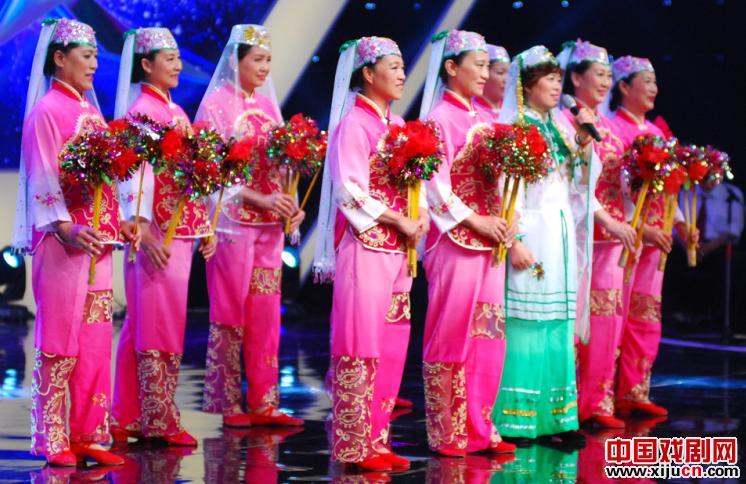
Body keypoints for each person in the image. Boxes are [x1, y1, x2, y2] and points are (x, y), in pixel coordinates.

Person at [13, 18, 138, 466]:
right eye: (85, 56)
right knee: (59, 341)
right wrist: (63, 225)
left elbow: (104, 180)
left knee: (94, 341)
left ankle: (88, 432)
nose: (93, 63)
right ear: (59, 59)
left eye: (95, 56)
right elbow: (43, 175)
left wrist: (119, 220)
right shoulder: (47, 111)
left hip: (97, 243)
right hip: (64, 243)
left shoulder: (89, 111)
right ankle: (51, 437)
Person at [313, 36, 428, 472]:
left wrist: (415, 222)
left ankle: (377, 438)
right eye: (394, 66)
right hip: (365, 246)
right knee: (359, 344)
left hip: (399, 251)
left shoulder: (397, 127)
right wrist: (399, 220)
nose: (401, 74)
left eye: (403, 67)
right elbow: (349, 190)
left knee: (392, 344)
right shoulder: (354, 125)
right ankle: (352, 444)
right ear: (367, 73)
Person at [195, 24, 305, 429]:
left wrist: (289, 205)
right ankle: (228, 404)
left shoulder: (269, 107)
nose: (264, 68)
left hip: (268, 229)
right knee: (229, 312)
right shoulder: (216, 107)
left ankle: (264, 401)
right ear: (235, 61)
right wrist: (259, 198)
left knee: (264, 313)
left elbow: (279, 168)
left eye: (268, 60)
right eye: (256, 59)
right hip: (232, 226)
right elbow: (210, 174)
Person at [111, 27, 216, 447]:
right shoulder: (142, 111)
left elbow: (190, 178)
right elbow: (136, 173)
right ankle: (157, 418)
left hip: (180, 230)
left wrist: (206, 223)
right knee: (155, 323)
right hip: (156, 234)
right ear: (145, 65)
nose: (176, 64)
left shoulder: (176, 112)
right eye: (167, 58)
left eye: (177, 57)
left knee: (150, 321)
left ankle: (129, 415)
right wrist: (141, 229)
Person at [492, 45, 599, 447]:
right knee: (528, 325)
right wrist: (514, 239)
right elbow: (506, 188)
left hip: (559, 235)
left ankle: (556, 419)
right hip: (531, 232)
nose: (557, 85)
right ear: (527, 85)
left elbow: (570, 183)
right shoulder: (518, 127)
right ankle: (519, 419)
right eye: (549, 78)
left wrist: (585, 141)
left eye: (558, 78)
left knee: (557, 325)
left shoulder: (555, 126)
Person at [419, 29, 516, 457]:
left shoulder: (483, 120)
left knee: (489, 335)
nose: (484, 72)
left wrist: (505, 218)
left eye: (485, 65)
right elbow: (435, 188)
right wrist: (476, 219)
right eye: (476, 65)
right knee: (452, 333)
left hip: (489, 239)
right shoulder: (439, 118)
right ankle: (447, 431)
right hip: (456, 238)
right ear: (451, 67)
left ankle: (480, 426)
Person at [608, 56, 698, 417]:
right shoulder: (613, 129)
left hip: (655, 242)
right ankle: (605, 392)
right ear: (624, 86)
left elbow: (665, 191)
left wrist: (679, 225)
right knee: (617, 317)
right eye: (646, 81)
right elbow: (612, 190)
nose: (653, 88)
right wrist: (641, 228)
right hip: (624, 239)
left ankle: (636, 390)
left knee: (646, 317)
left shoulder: (657, 135)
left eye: (656, 82)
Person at [557, 39, 636, 428]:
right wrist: (607, 220)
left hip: (610, 237)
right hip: (578, 232)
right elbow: (574, 185)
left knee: (607, 319)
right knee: (574, 318)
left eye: (609, 75)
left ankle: (599, 400)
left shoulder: (609, 127)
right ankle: (568, 402)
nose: (605, 81)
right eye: (598, 74)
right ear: (575, 77)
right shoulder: (567, 121)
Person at [474, 44, 510, 121]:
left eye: (509, 74)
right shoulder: (473, 112)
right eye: (500, 72)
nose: (507, 79)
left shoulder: (512, 111)